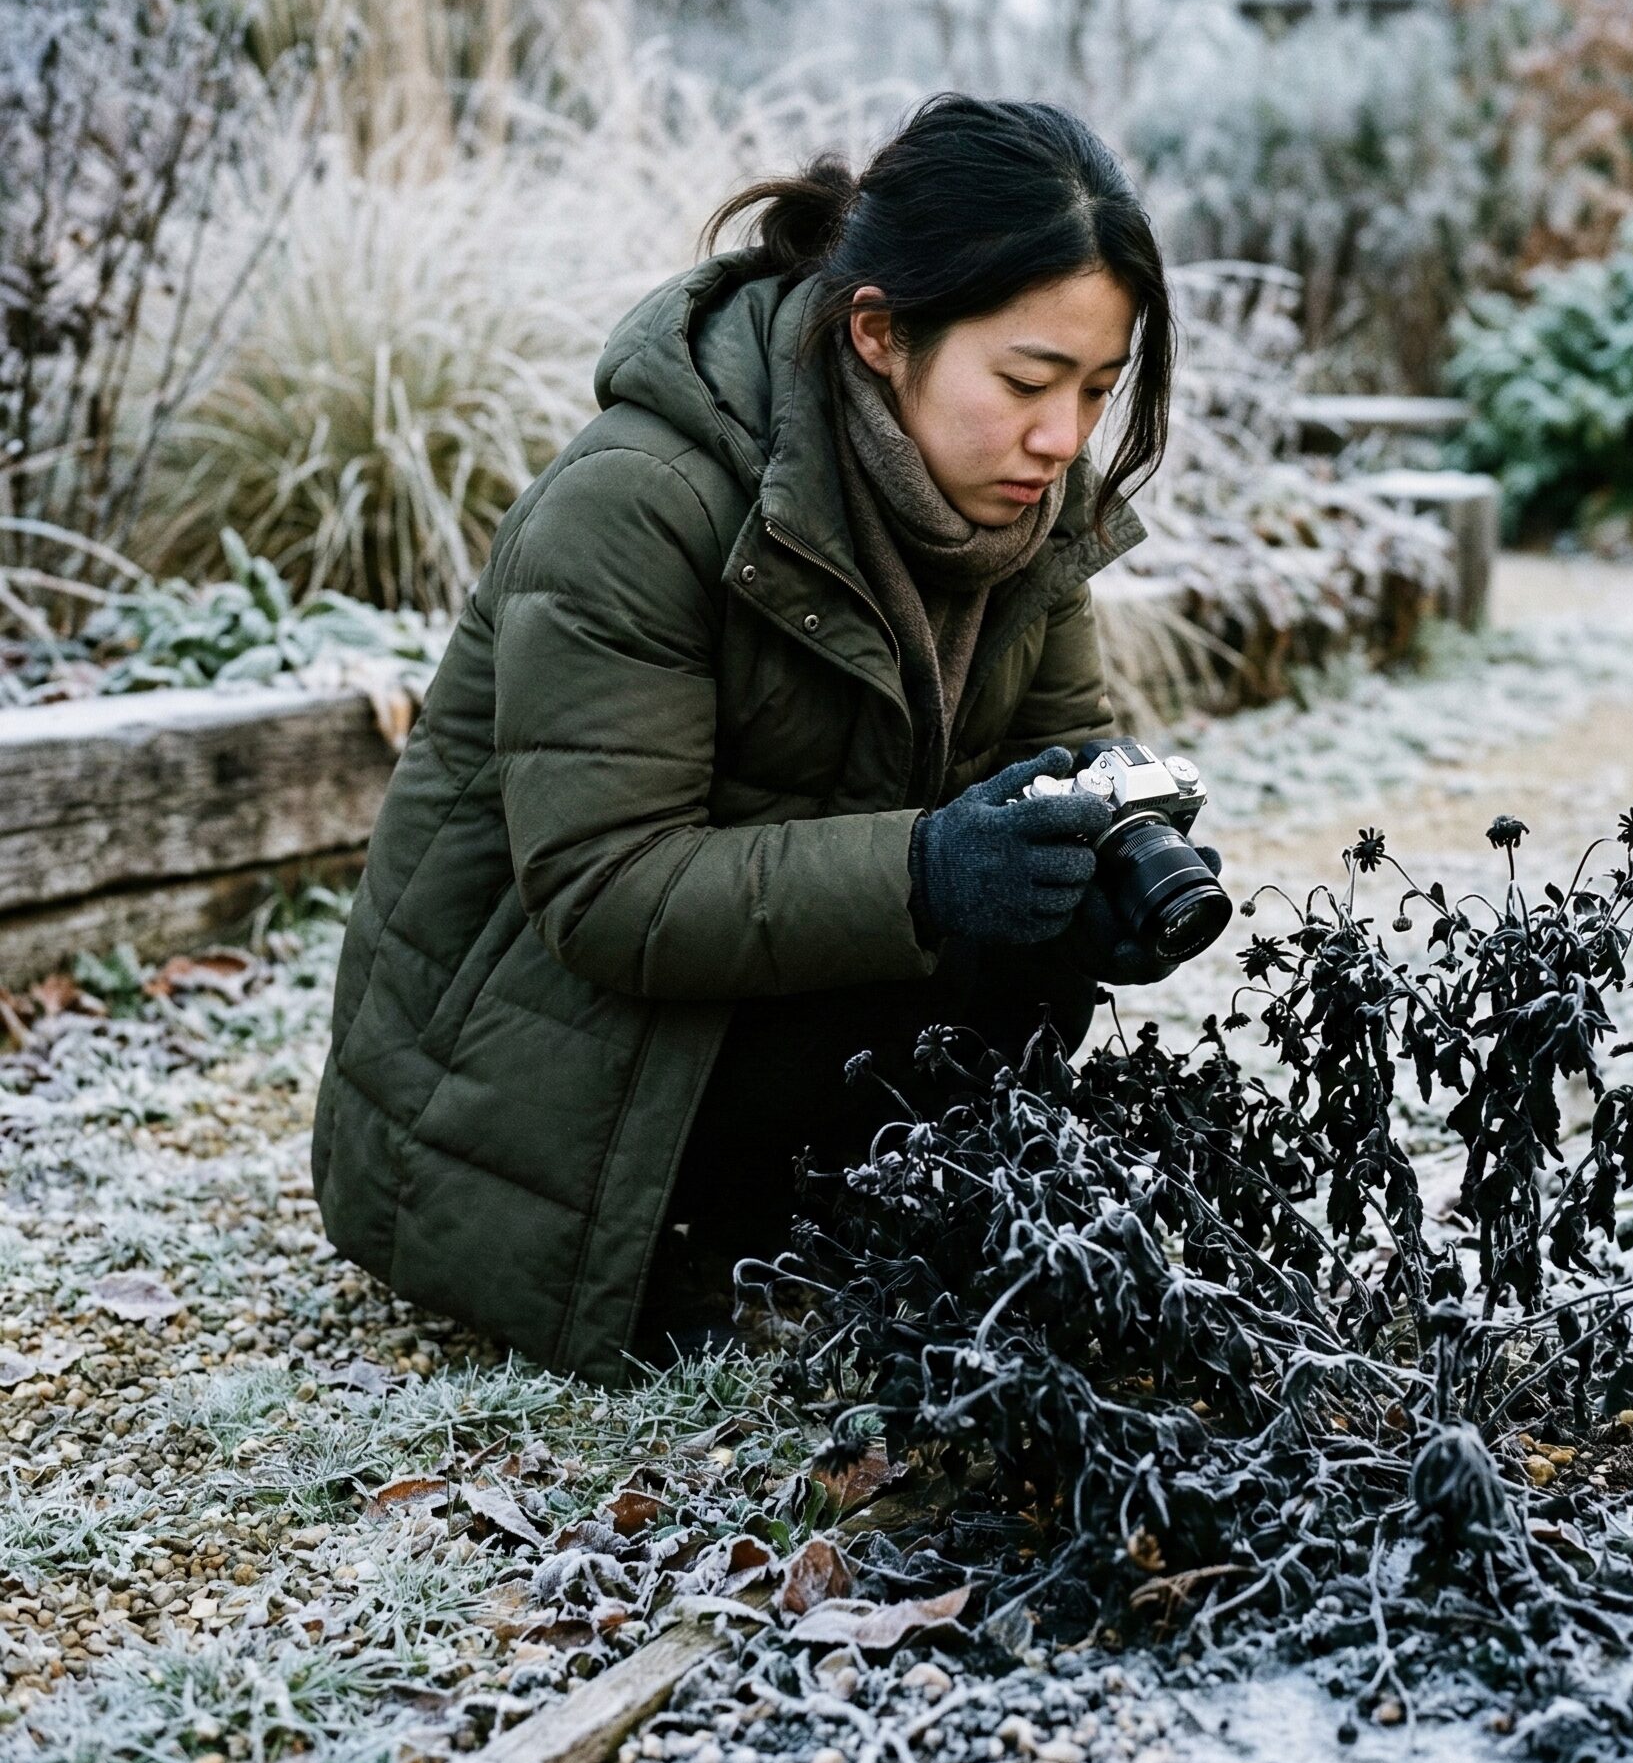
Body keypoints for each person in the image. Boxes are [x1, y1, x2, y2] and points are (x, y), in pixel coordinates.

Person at [309, 93, 1224, 1382]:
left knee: (1035, 906)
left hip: (760, 1016)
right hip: (534, 1084)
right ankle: (707, 1238)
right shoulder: (641, 502)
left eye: (1095, 387)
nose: (1063, 438)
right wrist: (927, 871)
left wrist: (1106, 867)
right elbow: (604, 889)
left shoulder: (1019, 506)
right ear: (879, 333)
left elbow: (1066, 750)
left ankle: (823, 1218)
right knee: (962, 896)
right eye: (1026, 381)